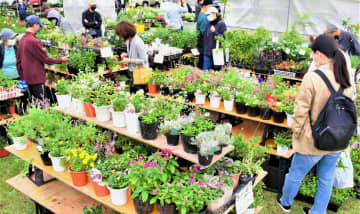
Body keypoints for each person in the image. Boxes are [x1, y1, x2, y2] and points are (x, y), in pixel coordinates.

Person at [277, 34, 355, 214]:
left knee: (296, 173)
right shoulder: (345, 78)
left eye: (313, 54)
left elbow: (300, 111)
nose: (313, 58)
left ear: (319, 54)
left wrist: (296, 137)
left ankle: (286, 202)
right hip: (337, 140)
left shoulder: (313, 78)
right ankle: (317, 211)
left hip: (313, 140)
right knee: (326, 179)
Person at [16, 15, 69, 100]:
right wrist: (61, 60)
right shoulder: (34, 41)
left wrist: (22, 77)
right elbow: (45, 59)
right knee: (43, 102)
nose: (40, 28)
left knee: (33, 102)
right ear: (35, 25)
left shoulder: (22, 40)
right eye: (39, 26)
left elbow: (18, 61)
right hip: (37, 78)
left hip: (27, 78)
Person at [115, 21, 148, 93]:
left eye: (120, 34)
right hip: (132, 71)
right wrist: (126, 54)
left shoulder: (138, 42)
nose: (120, 36)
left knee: (141, 94)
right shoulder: (128, 41)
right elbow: (133, 52)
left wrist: (129, 60)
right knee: (134, 93)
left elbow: (144, 59)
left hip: (140, 73)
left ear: (125, 32)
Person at [196, 0, 212, 69]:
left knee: (202, 59)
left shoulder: (204, 14)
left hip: (203, 41)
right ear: (205, 6)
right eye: (210, 7)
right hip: (203, 41)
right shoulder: (203, 17)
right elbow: (204, 31)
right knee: (202, 59)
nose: (211, 8)